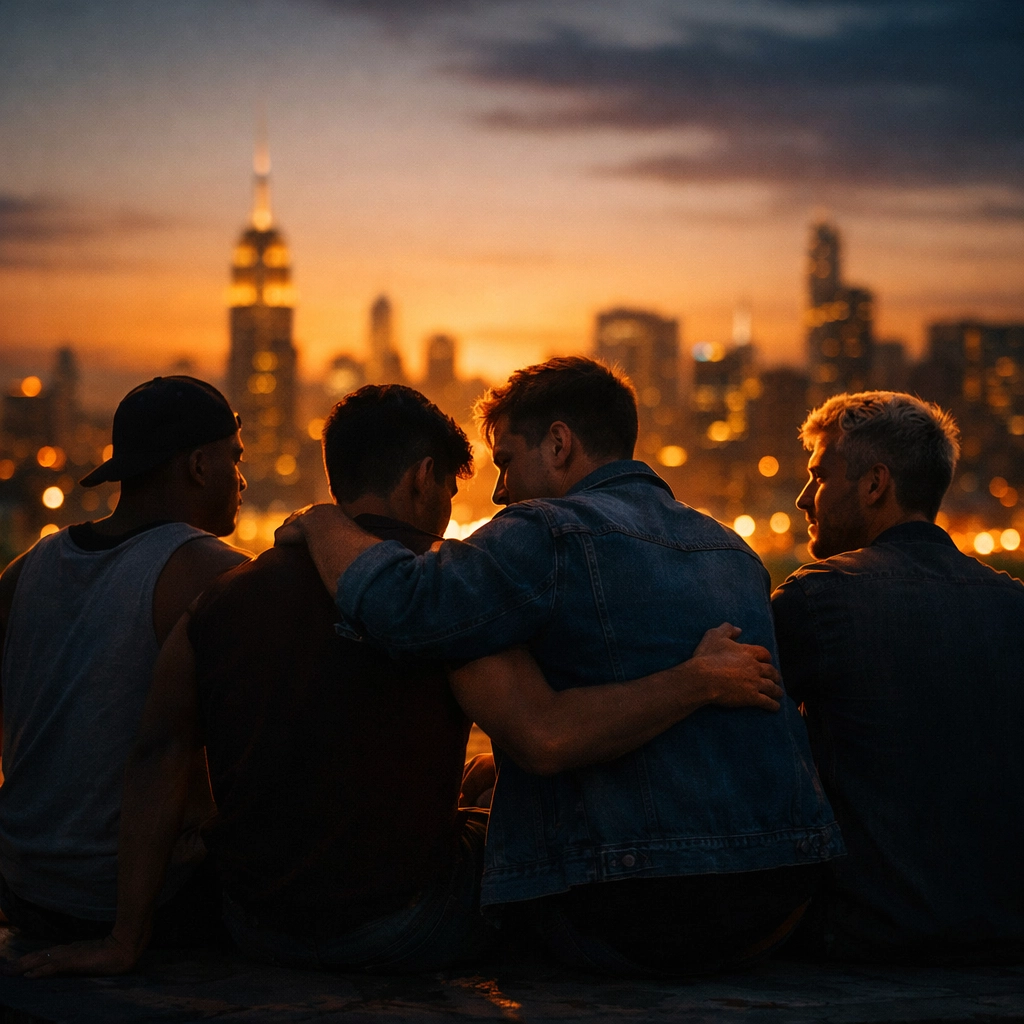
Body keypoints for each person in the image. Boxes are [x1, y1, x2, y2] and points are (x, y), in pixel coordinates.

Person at [16, 384, 786, 978]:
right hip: (405, 924)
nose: (460, 512)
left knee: (478, 780)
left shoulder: (218, 599)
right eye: (453, 491)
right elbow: (545, 735)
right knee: (525, 818)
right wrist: (693, 681)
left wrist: (126, 936)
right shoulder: (444, 598)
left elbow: (158, 757)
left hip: (254, 921)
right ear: (423, 479)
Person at [276, 359, 843, 976]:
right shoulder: (731, 550)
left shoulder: (544, 530)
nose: (498, 492)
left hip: (634, 907)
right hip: (779, 899)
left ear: (559, 442)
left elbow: (404, 608)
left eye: (506, 461)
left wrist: (322, 520)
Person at [772, 391, 1024, 963]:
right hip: (1004, 938)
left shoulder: (819, 597)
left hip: (862, 937)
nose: (804, 497)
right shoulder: (1014, 605)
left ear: (874, 484)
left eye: (819, 475)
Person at [0, 376, 249, 943]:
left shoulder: (28, 567)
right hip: (128, 902)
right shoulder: (213, 571)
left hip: (22, 886)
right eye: (234, 458)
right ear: (198, 466)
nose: (242, 478)